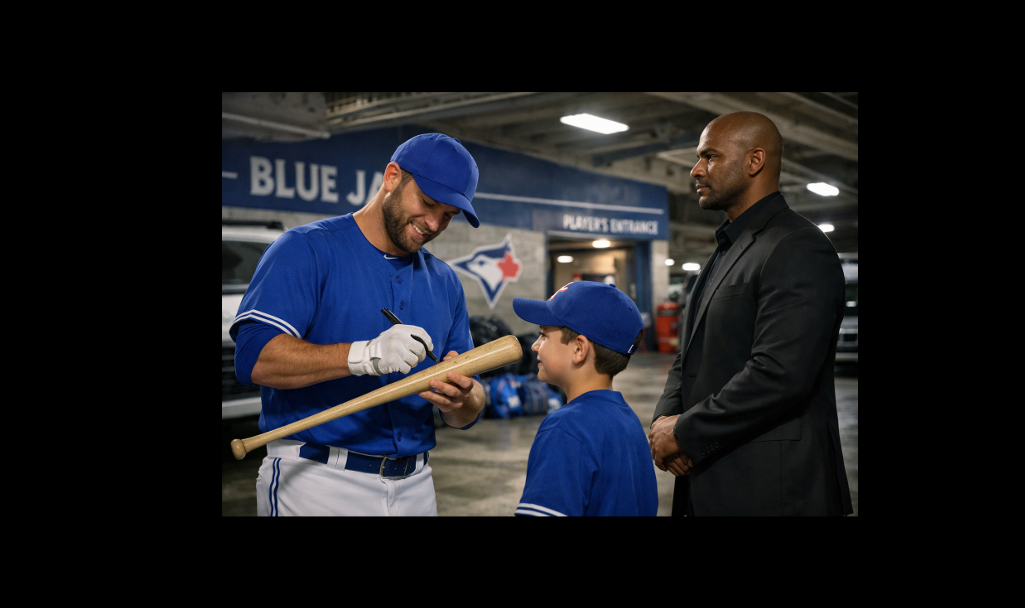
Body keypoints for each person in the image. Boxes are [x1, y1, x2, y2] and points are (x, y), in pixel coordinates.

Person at [229, 133, 487, 516]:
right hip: (317, 480)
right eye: (428, 203)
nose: (434, 223)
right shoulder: (306, 249)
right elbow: (253, 359)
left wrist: (464, 400)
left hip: (417, 484)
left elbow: (470, 401)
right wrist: (364, 355)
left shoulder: (445, 281)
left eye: (448, 216)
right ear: (392, 177)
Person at [648, 112, 853, 516]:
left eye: (710, 157)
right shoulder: (724, 251)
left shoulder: (797, 246)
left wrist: (686, 431)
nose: (695, 170)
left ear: (754, 161)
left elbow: (780, 373)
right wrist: (665, 423)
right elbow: (688, 356)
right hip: (708, 478)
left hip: (770, 490)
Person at [511, 281, 658, 517]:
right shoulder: (629, 421)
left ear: (579, 348)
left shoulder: (565, 429)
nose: (535, 346)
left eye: (544, 335)